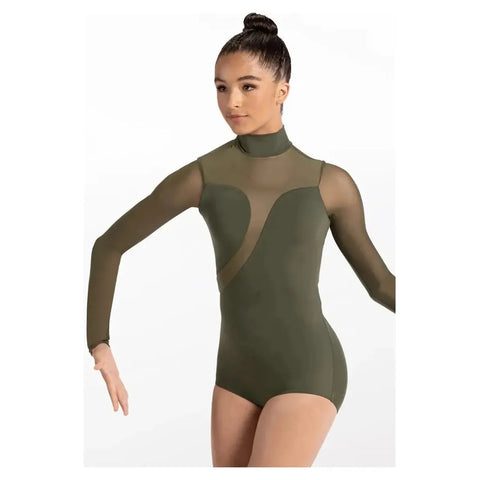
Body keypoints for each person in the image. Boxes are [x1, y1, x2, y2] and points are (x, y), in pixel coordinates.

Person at [86, 12, 395, 467]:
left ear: (282, 91)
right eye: (221, 87)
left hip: (307, 369)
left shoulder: (330, 183)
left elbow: (381, 286)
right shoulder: (204, 175)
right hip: (234, 375)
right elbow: (109, 245)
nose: (232, 101)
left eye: (248, 86)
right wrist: (100, 343)